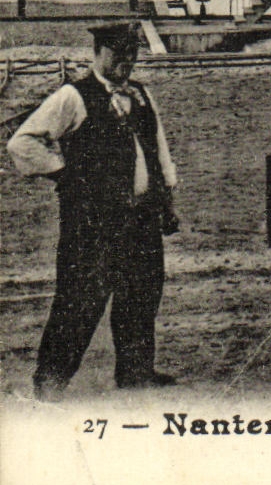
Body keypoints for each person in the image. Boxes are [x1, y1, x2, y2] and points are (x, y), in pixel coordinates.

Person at [7, 23, 179, 401]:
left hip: (142, 217)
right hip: (92, 224)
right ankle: (50, 383)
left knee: (141, 295)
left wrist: (166, 195)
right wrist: (65, 174)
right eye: (118, 55)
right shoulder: (73, 96)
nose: (125, 63)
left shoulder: (143, 95)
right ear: (98, 53)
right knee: (80, 301)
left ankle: (136, 372)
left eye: (132, 55)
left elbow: (159, 148)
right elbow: (22, 142)